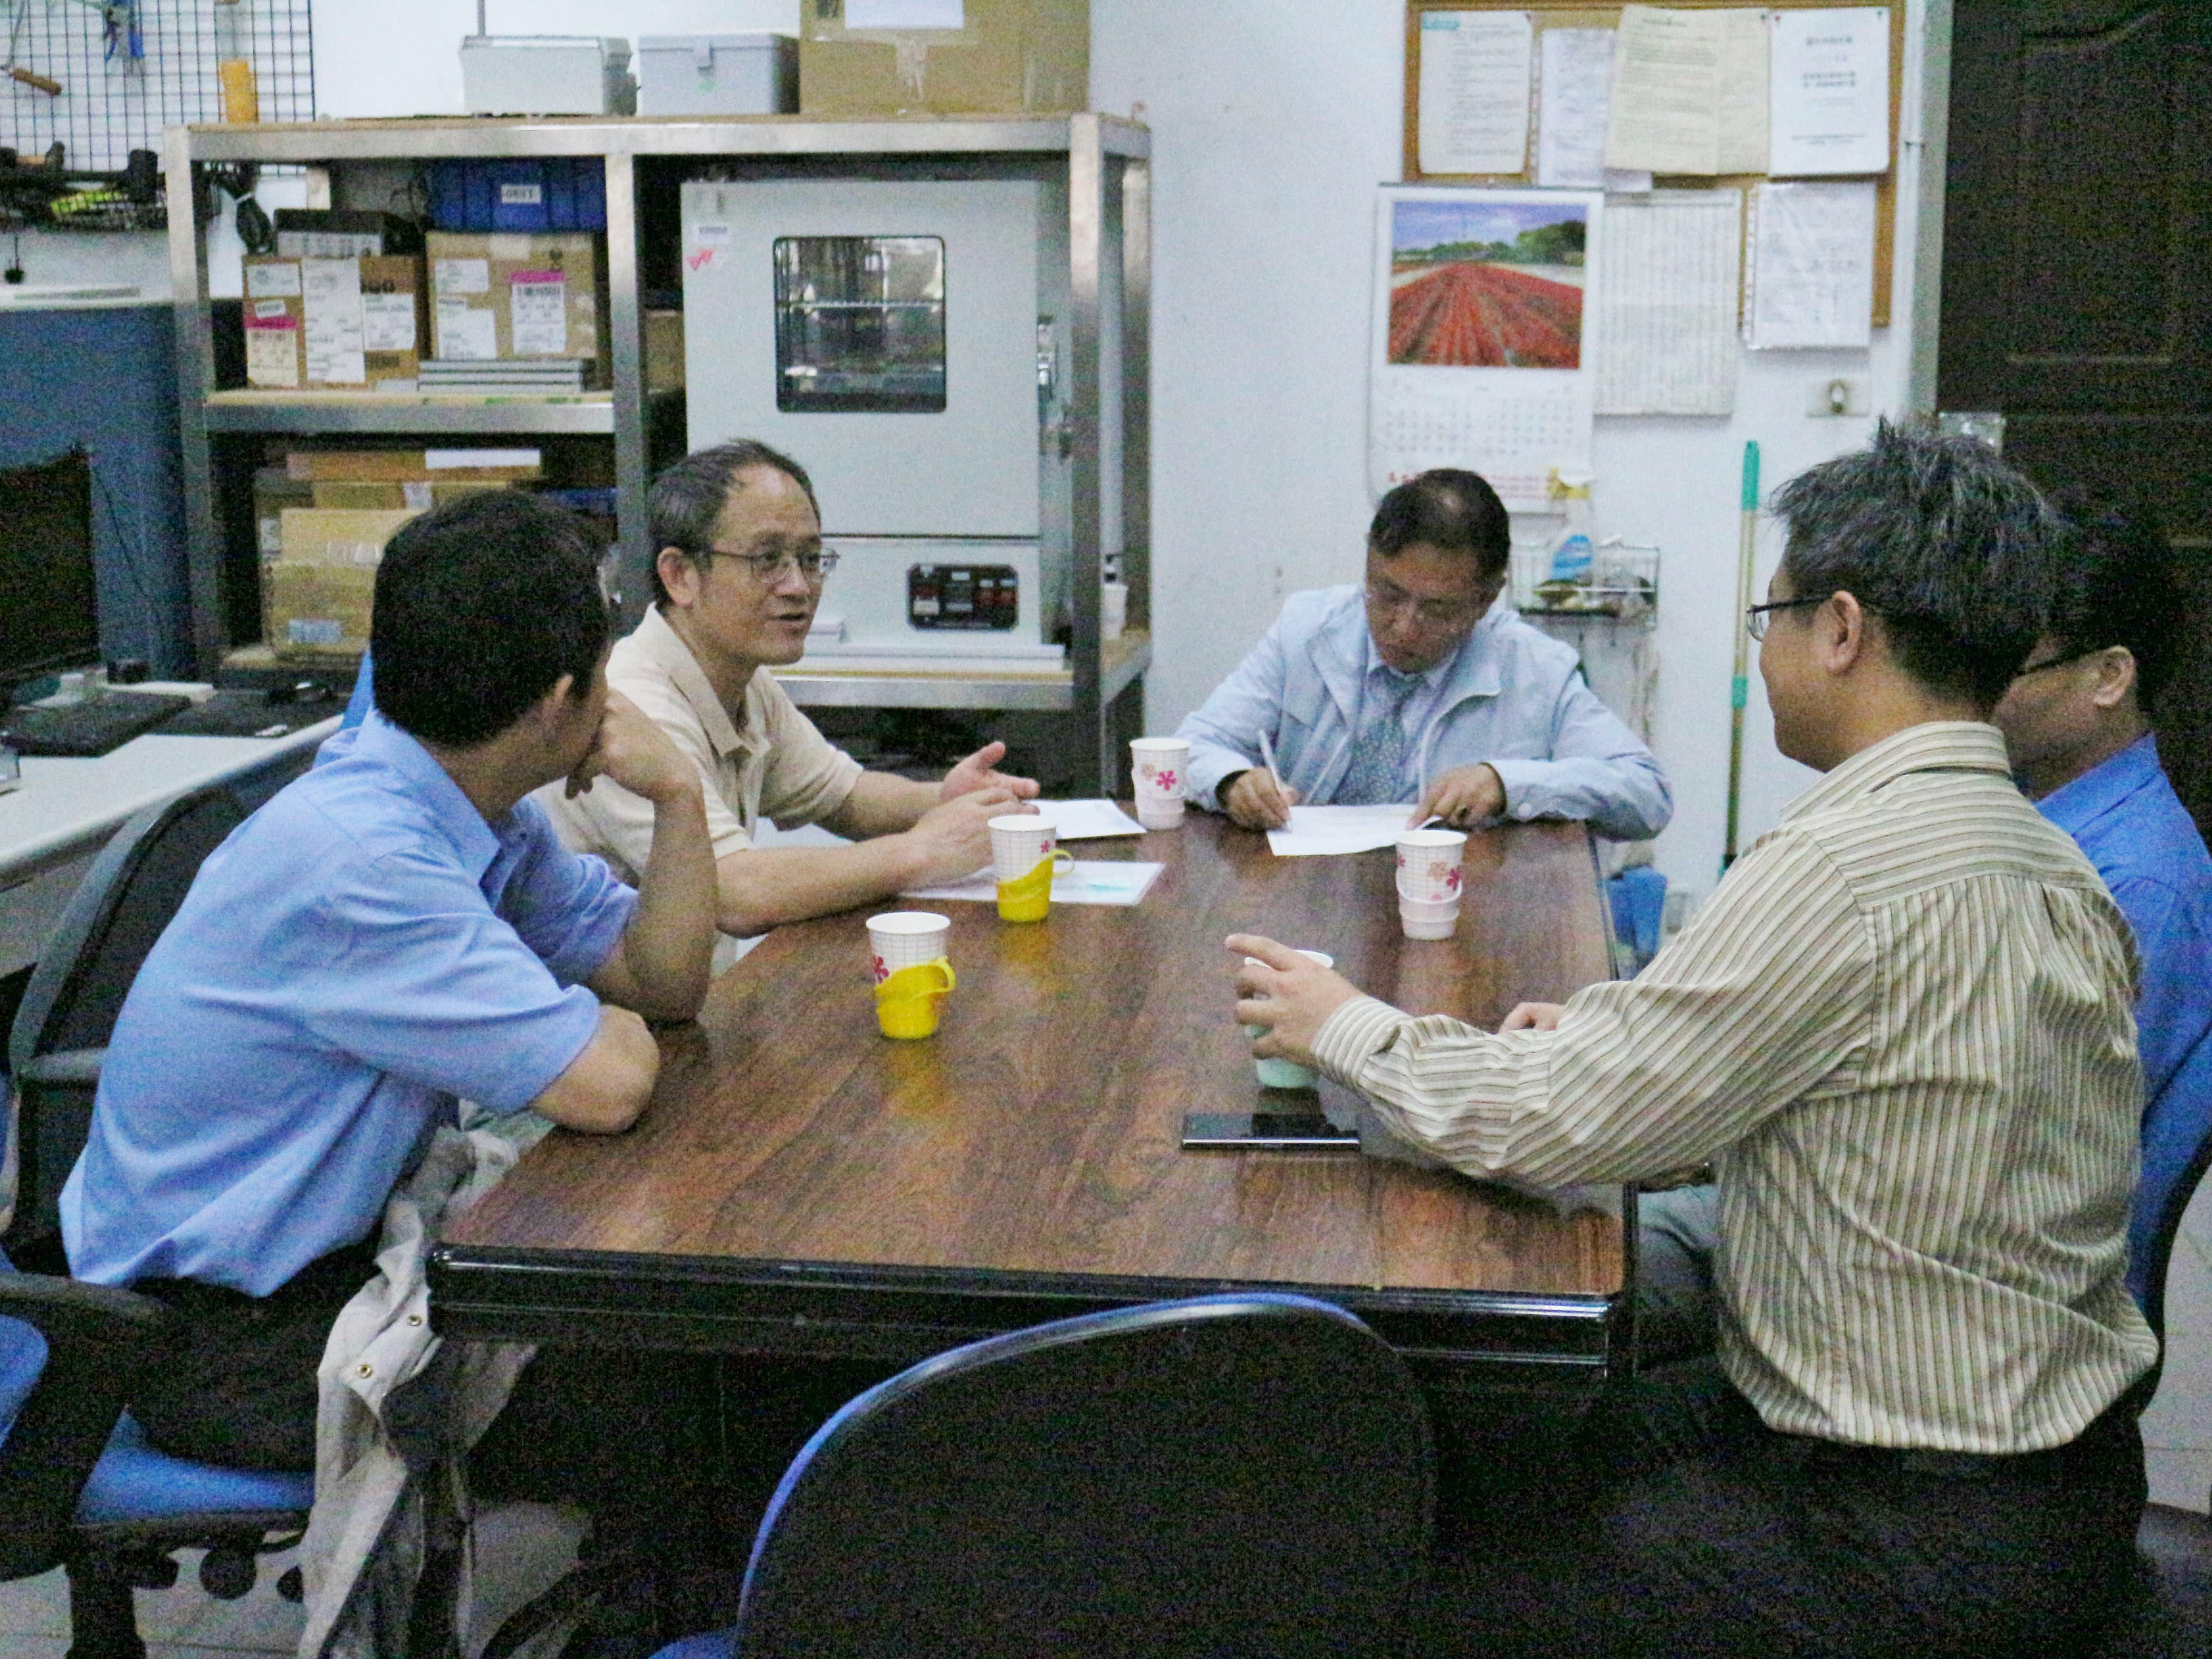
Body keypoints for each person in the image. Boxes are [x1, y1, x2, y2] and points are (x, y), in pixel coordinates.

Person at [1230, 423, 2154, 1657]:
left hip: (1907, 1519)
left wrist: (1342, 1024)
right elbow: (1839, 1065)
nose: (1761, 652)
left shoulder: (1841, 866)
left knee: (1414, 1593)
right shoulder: (2048, 858)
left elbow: (1564, 1124)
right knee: (1513, 1455)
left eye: (1771, 617)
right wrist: (1616, 1033)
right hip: (2056, 1473)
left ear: (1839, 629)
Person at [60, 488, 717, 1472]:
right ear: (559, 702)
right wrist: (593, 1026)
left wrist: (678, 796)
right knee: (672, 1397)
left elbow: (662, 987)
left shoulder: (471, 806)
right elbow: (611, 1084)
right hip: (218, 1343)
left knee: (664, 1350)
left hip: (331, 1259)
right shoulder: (366, 860)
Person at [538, 440, 1038, 959]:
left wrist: (946, 800)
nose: (799, 586)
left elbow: (844, 796)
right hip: (598, 1008)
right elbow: (736, 891)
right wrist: (922, 851)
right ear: (680, 576)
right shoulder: (632, 701)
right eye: (768, 560)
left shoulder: (739, 675)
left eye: (810, 558)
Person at [1174, 468, 1671, 838]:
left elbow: (1647, 794)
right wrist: (1231, 782)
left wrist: (1508, 784)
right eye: (1387, 594)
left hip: (1459, 902)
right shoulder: (1307, 631)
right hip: (1312, 892)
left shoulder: (1535, 668)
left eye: (1436, 609)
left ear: (1486, 599)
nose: (1403, 627)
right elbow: (1192, 746)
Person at [1995, 494, 2212, 1305]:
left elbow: (2038, 1155)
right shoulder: (2034, 822)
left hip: (2036, 1300)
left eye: (2010, 664)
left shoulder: (2135, 882)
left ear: (2109, 677)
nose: (1976, 689)